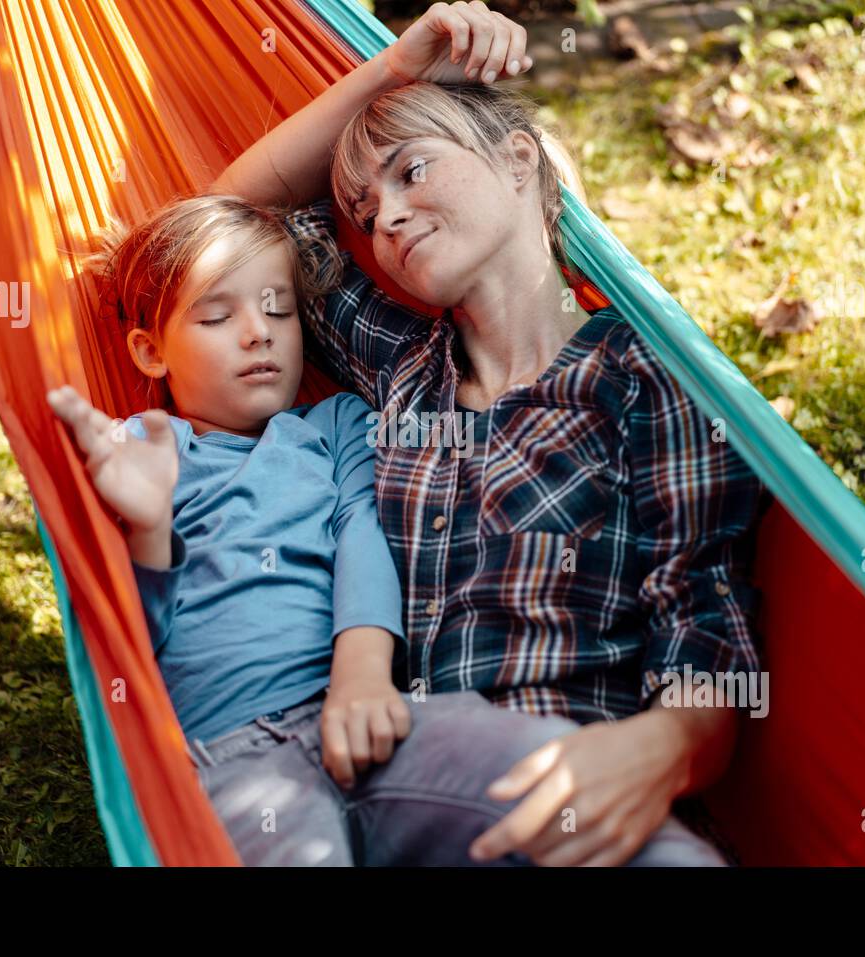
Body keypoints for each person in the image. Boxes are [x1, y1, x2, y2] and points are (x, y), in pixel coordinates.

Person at [211, 0, 767, 866]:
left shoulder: (647, 381)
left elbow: (705, 627)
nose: (384, 219)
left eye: (412, 171)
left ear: (518, 161)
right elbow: (228, 220)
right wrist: (397, 68)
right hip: (387, 780)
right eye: (363, 208)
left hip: (565, 791)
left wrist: (661, 748)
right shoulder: (400, 366)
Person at [47, 194, 721, 865]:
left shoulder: (335, 423)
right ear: (149, 351)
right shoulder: (141, 453)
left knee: (547, 782)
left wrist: (363, 677)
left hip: (371, 714)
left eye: (279, 308)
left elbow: (362, 540)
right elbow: (125, 642)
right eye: (218, 316)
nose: (259, 331)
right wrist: (149, 526)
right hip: (228, 754)